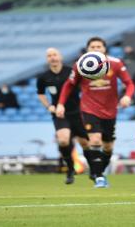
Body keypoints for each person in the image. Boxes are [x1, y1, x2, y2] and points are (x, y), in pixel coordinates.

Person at [56, 37, 135, 188]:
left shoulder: (115, 63)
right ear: (87, 50)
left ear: (104, 49)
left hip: (110, 110)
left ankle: (99, 171)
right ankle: (99, 177)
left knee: (108, 147)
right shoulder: (80, 65)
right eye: (92, 46)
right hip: (89, 108)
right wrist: (60, 104)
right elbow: (69, 84)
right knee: (95, 140)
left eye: (99, 46)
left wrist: (127, 96)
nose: (96, 49)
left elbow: (129, 83)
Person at [37, 48, 90, 184]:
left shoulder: (71, 72)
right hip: (60, 113)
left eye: (54, 54)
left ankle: (95, 172)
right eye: (49, 55)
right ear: (47, 59)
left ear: (60, 56)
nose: (52, 57)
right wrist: (49, 106)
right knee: (63, 140)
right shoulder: (43, 77)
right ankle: (70, 170)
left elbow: (84, 87)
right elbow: (40, 94)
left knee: (85, 143)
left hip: (77, 112)